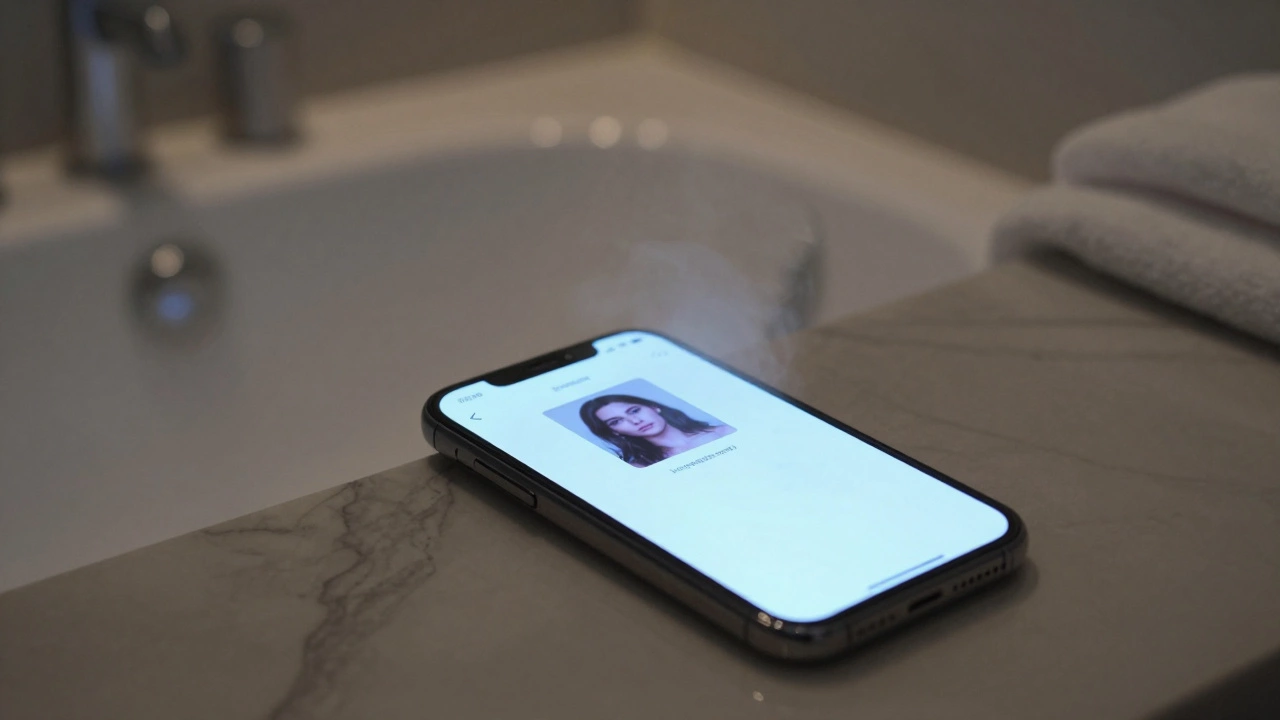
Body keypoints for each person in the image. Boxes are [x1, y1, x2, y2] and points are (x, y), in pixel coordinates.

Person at [579, 394, 734, 468]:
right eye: (616, 421)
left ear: (654, 407)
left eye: (634, 411)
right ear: (614, 432)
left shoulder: (725, 432)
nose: (635, 421)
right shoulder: (639, 467)